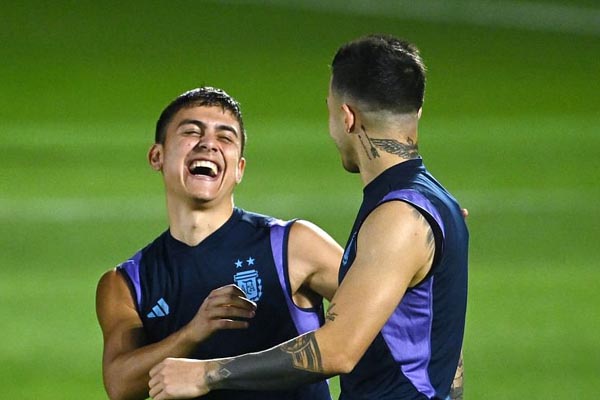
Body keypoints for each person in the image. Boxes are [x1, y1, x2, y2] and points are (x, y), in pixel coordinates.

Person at [148, 34, 469, 400]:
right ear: (417, 111)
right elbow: (443, 342)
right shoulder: (434, 203)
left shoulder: (398, 217)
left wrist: (208, 373)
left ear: (347, 118)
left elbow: (337, 350)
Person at [95, 86, 343, 400]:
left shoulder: (294, 245)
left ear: (239, 169)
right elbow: (120, 384)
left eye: (225, 137)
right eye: (191, 131)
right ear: (157, 156)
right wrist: (192, 332)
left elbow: (385, 315)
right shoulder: (127, 283)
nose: (209, 144)